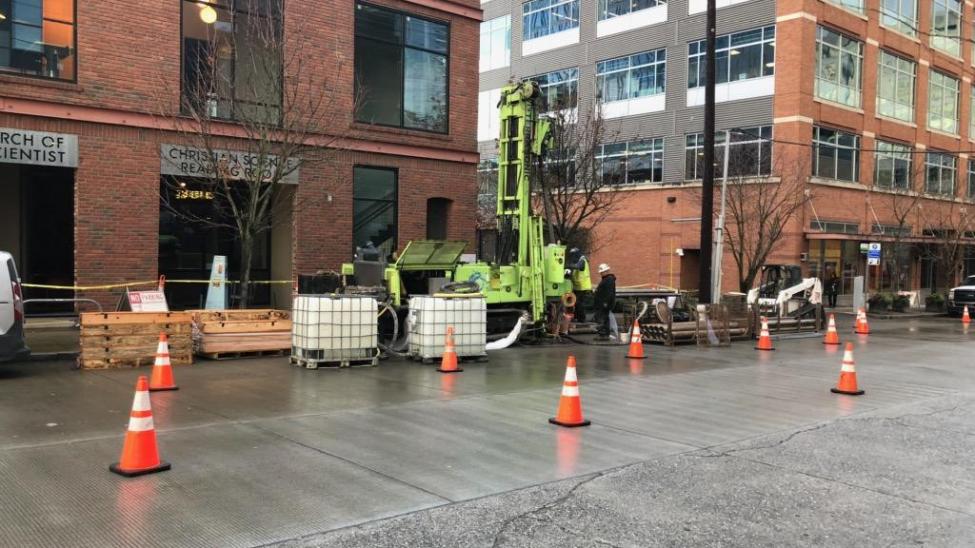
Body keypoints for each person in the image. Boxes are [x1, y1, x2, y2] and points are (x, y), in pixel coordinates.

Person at [565, 248, 592, 322]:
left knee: (579, 303)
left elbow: (578, 266)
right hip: (578, 286)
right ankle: (577, 317)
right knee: (575, 302)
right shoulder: (576, 260)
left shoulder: (582, 260)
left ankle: (582, 318)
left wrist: (568, 265)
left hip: (583, 286)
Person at [593, 263, 617, 340]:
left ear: (606, 271)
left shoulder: (609, 280)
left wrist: (605, 302)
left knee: (602, 318)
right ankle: (605, 333)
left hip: (604, 303)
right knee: (605, 318)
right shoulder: (607, 279)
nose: (601, 273)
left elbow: (609, 293)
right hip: (602, 303)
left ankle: (603, 334)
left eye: (602, 272)